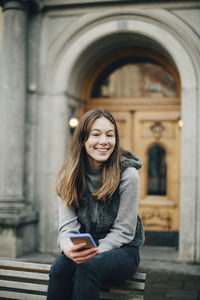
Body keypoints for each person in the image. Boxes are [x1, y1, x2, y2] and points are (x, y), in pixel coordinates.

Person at [47, 108, 145, 300]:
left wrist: (95, 253)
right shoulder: (67, 177)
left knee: (88, 266)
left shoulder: (128, 175)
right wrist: (67, 246)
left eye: (110, 135)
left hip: (122, 250)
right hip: (85, 247)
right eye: (96, 134)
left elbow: (124, 231)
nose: (104, 141)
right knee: (59, 268)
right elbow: (67, 229)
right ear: (83, 140)